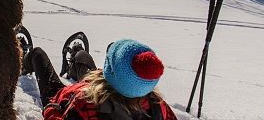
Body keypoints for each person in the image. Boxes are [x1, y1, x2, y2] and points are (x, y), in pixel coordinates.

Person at [23, 39, 177, 120]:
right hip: (101, 89)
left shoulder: (84, 105)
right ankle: (76, 60)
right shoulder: (159, 106)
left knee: (38, 54)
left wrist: (51, 107)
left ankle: (23, 58)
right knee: (82, 58)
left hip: (77, 93)